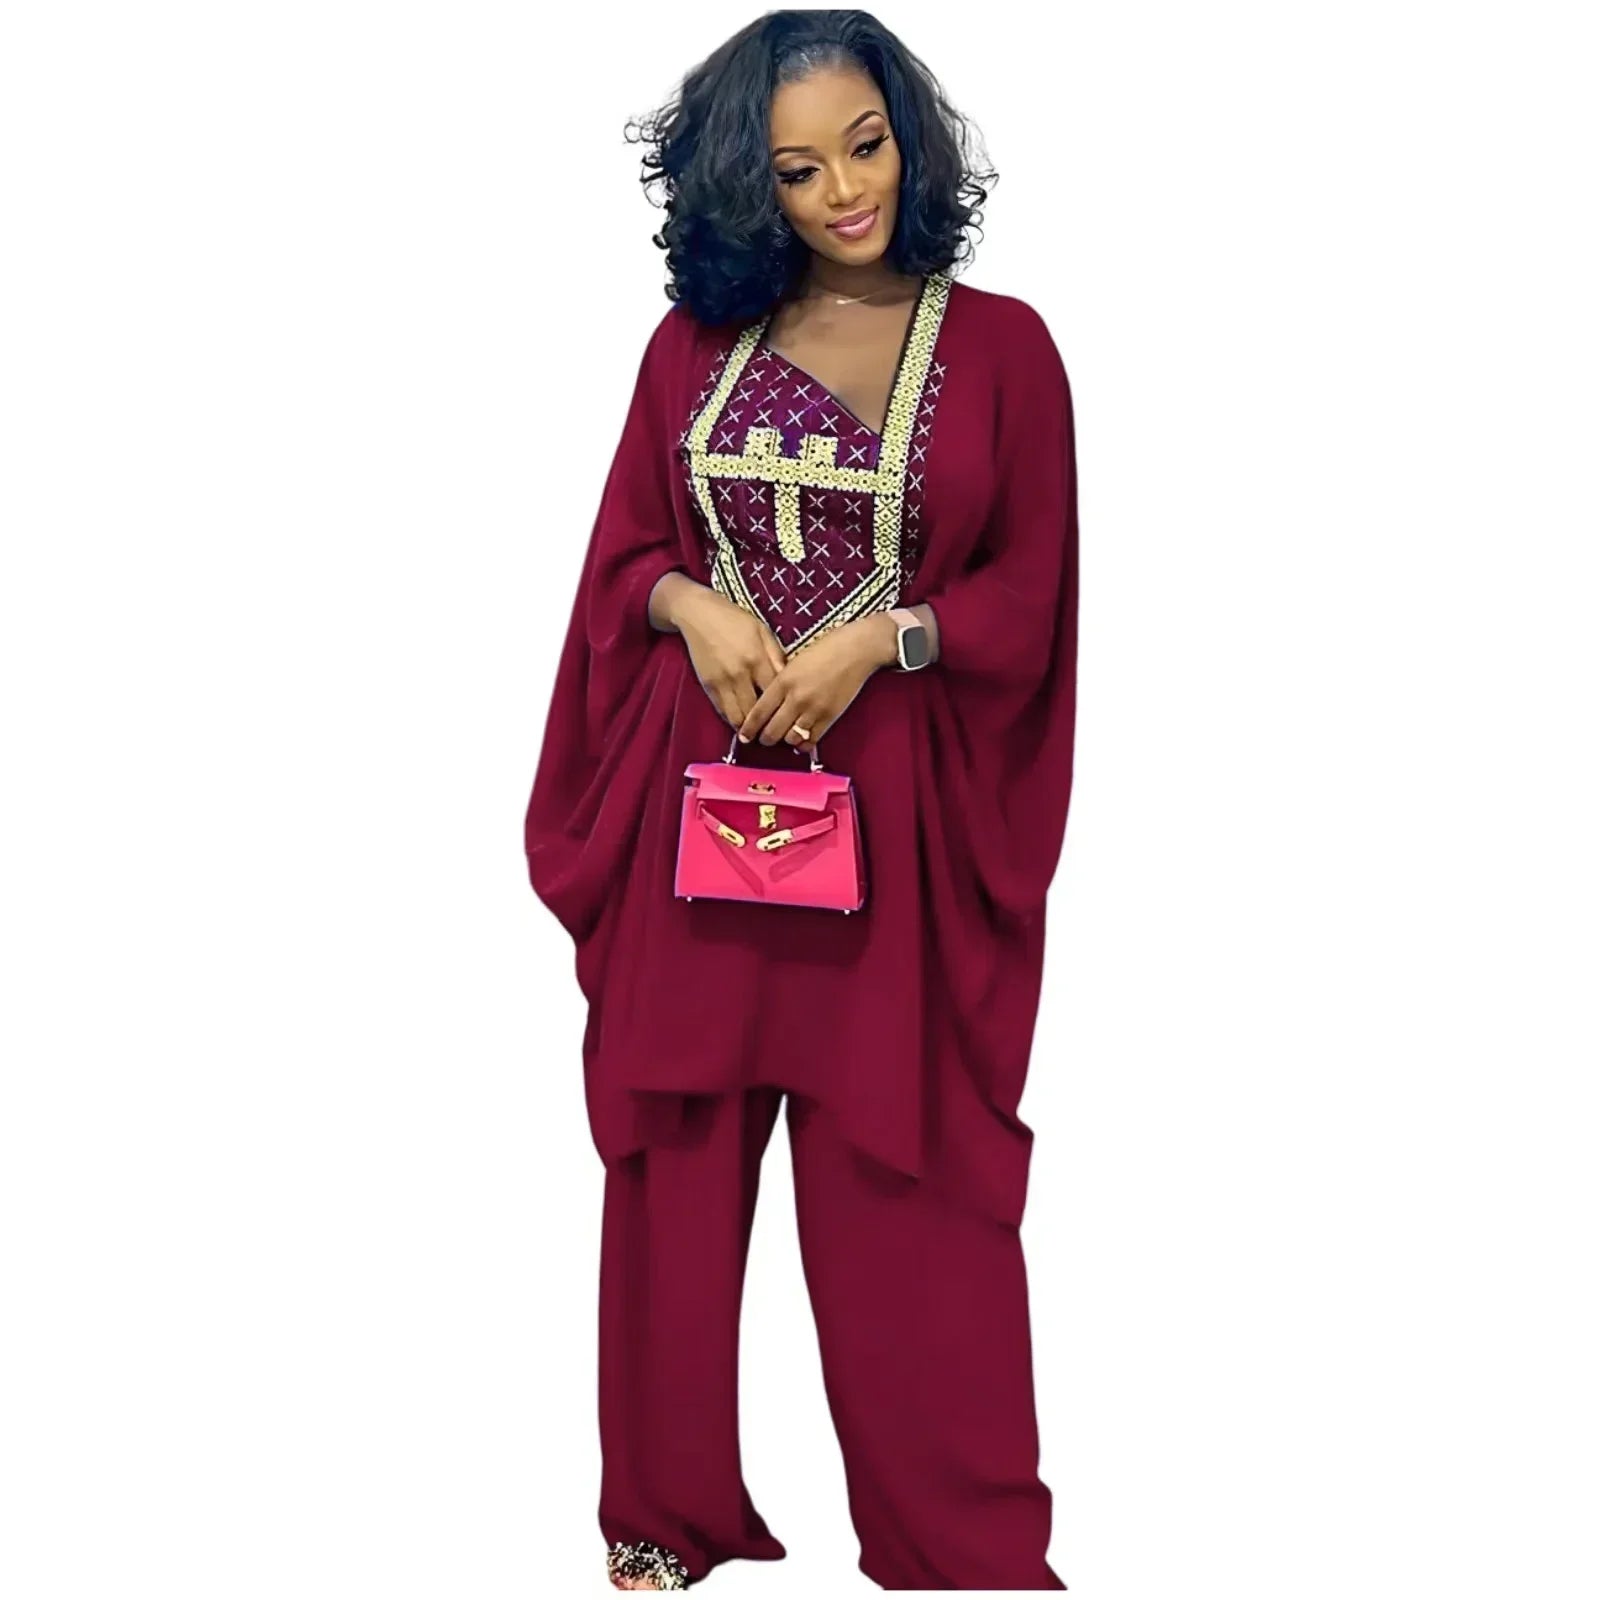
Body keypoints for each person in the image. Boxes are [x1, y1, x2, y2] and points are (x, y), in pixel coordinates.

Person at [524, 10, 1079, 1591]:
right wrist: (689, 607)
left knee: (913, 1186)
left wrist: (884, 641)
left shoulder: (1006, 354)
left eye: (867, 145)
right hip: (696, 808)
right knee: (676, 1170)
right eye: (796, 168)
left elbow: (1029, 594)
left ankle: (961, 1550)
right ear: (740, 184)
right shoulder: (690, 351)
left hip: (900, 827)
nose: (845, 191)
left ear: (912, 136)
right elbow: (626, 554)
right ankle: (661, 1521)